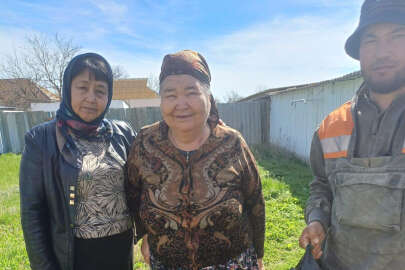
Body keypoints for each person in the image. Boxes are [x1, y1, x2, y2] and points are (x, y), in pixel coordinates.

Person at [126, 50, 265, 270]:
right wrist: (145, 235)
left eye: (191, 92)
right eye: (170, 95)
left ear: (208, 98)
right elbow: (133, 193)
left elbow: (255, 200)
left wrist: (259, 254)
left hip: (232, 262)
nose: (181, 103)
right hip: (167, 263)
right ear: (161, 100)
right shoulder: (145, 142)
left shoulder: (232, 142)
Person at [299, 0, 405, 269]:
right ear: (359, 52)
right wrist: (316, 219)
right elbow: (321, 184)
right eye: (371, 40)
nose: (383, 53)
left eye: (398, 36)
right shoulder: (331, 126)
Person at [19, 52, 136, 270]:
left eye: (100, 90)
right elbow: (32, 214)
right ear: (67, 89)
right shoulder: (41, 140)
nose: (91, 98)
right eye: (83, 87)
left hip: (120, 252)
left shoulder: (122, 133)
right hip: (74, 256)